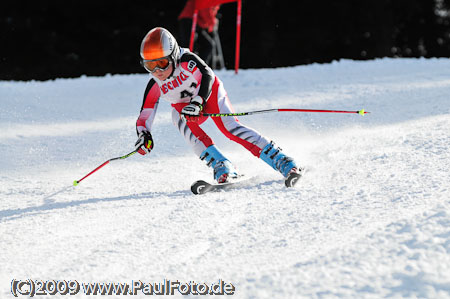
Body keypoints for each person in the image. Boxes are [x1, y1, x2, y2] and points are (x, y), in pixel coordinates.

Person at [135, 27, 302, 185]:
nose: (157, 71)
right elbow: (145, 115)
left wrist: (198, 101)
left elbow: (207, 74)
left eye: (162, 63)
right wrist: (144, 136)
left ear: (173, 56)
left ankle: (281, 160)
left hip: (210, 94)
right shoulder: (154, 85)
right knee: (177, 117)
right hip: (189, 109)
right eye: (150, 65)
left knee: (230, 128)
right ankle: (221, 165)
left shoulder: (186, 61)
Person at [178, 0, 220, 67]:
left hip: (196, 22)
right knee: (189, 46)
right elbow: (204, 11)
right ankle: (186, 67)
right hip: (189, 19)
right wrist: (212, 22)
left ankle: (199, 66)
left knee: (207, 45)